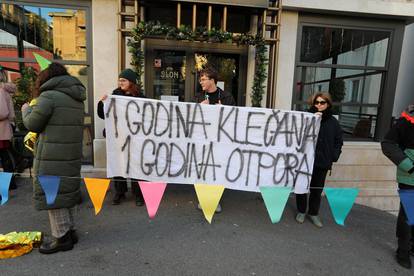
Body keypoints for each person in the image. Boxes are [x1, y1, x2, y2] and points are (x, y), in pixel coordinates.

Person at [22, 63, 86, 254]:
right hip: (71, 155)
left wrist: (26, 109)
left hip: (52, 156)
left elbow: (32, 123)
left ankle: (62, 238)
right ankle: (70, 231)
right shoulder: (76, 98)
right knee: (67, 192)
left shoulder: (48, 97)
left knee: (54, 196)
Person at [97, 68, 145, 206]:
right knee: (118, 164)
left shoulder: (141, 98)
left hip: (135, 138)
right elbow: (102, 114)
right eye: (119, 80)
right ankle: (120, 192)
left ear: (131, 82)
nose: (120, 82)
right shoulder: (114, 96)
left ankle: (138, 194)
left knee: (135, 165)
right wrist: (102, 103)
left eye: (123, 80)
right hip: (118, 138)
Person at [295, 92, 343, 228]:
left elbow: (338, 141)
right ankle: (301, 211)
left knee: (316, 190)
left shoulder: (333, 122)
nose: (319, 105)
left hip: (322, 162)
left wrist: (334, 156)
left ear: (328, 104)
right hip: (305, 160)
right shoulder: (306, 117)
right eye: (317, 102)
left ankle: (313, 213)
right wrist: (311, 121)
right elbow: (298, 135)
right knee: (302, 186)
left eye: (322, 102)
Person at [194, 67, 236, 213]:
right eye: (200, 79)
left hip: (220, 141)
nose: (201, 82)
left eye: (203, 79)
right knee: (203, 169)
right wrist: (199, 108)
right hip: (203, 141)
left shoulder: (227, 97)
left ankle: (215, 200)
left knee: (217, 171)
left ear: (212, 80)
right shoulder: (199, 97)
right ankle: (203, 199)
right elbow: (192, 119)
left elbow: (235, 119)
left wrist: (223, 110)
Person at [381, 104, 414, 269]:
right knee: (408, 215)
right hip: (410, 178)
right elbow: (387, 144)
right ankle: (403, 251)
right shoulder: (406, 121)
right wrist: (409, 166)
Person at [0, 82, 17, 191]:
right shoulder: (2, 90)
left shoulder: (0, 91)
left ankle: (9, 184)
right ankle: (10, 184)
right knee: (5, 157)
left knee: (5, 157)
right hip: (3, 129)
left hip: (1, 130)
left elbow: (2, 112)